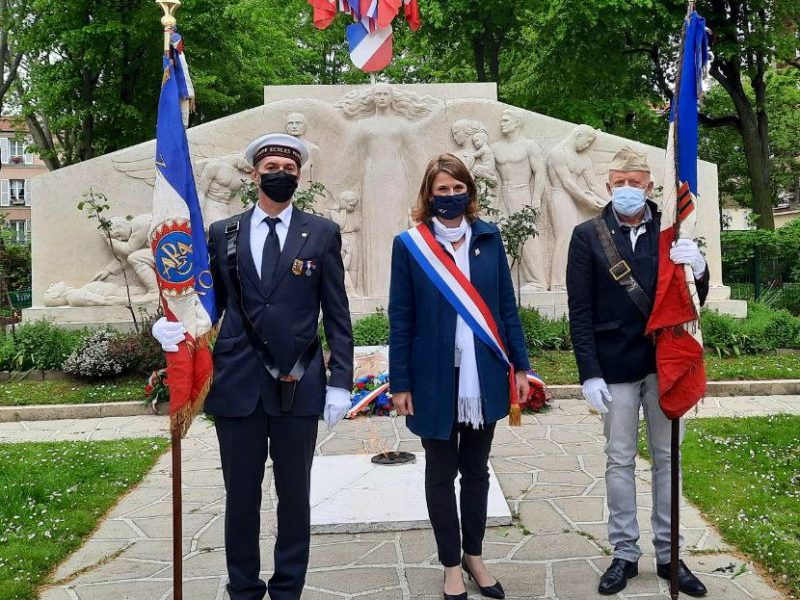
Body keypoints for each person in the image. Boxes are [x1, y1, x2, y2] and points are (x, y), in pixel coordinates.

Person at [152, 133, 354, 600]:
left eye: (289, 166)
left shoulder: (321, 232)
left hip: (298, 385)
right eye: (271, 167)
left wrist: (340, 380)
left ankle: (287, 589)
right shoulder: (224, 232)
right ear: (254, 174)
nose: (280, 173)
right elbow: (207, 305)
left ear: (299, 176)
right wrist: (172, 328)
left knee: (294, 497)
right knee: (241, 497)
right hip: (238, 385)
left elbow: (338, 313)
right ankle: (243, 587)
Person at [566, 147, 709, 597]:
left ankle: (670, 555)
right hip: (615, 365)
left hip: (664, 363)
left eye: (636, 182)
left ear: (650, 185)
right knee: (619, 459)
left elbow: (690, 296)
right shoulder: (588, 235)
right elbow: (580, 309)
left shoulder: (672, 230)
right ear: (608, 186)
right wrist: (588, 371)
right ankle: (624, 553)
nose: (628, 190)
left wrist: (699, 267)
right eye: (619, 182)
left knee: (669, 459)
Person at [389, 153, 530, 600]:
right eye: (441, 190)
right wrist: (400, 382)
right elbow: (401, 316)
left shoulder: (489, 238)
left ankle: (475, 555)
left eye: (457, 188)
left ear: (469, 191)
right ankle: (451, 564)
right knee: (440, 471)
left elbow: (506, 308)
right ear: (428, 195)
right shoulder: (410, 244)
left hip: (483, 374)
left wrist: (520, 366)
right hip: (433, 377)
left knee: (476, 471)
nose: (450, 196)